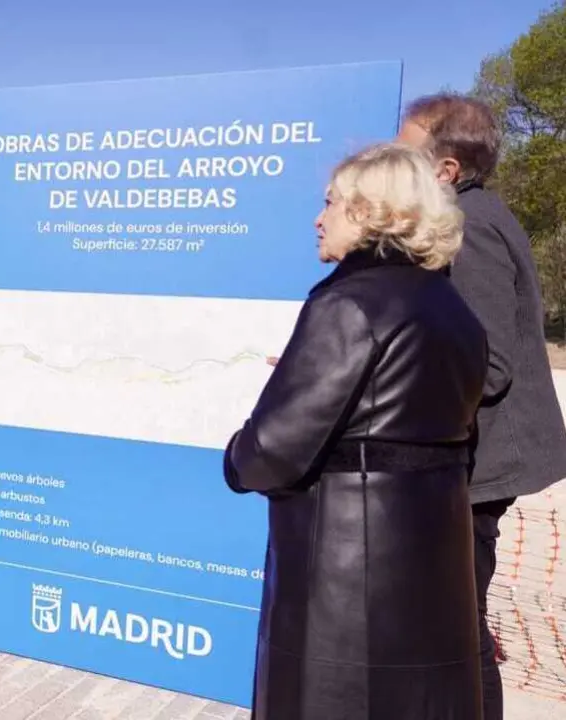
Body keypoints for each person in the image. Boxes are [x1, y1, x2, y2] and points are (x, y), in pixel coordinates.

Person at [224, 143, 501, 719]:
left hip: (345, 589)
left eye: (330, 203)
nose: (317, 218)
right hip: (433, 571)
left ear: (371, 211)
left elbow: (269, 452)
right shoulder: (454, 310)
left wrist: (235, 455)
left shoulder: (347, 306)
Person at [396, 92, 566, 720]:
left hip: (477, 467)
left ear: (445, 171)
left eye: (406, 152)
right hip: (475, 459)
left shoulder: (470, 226)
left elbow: (484, 364)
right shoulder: (474, 214)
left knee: (456, 629)